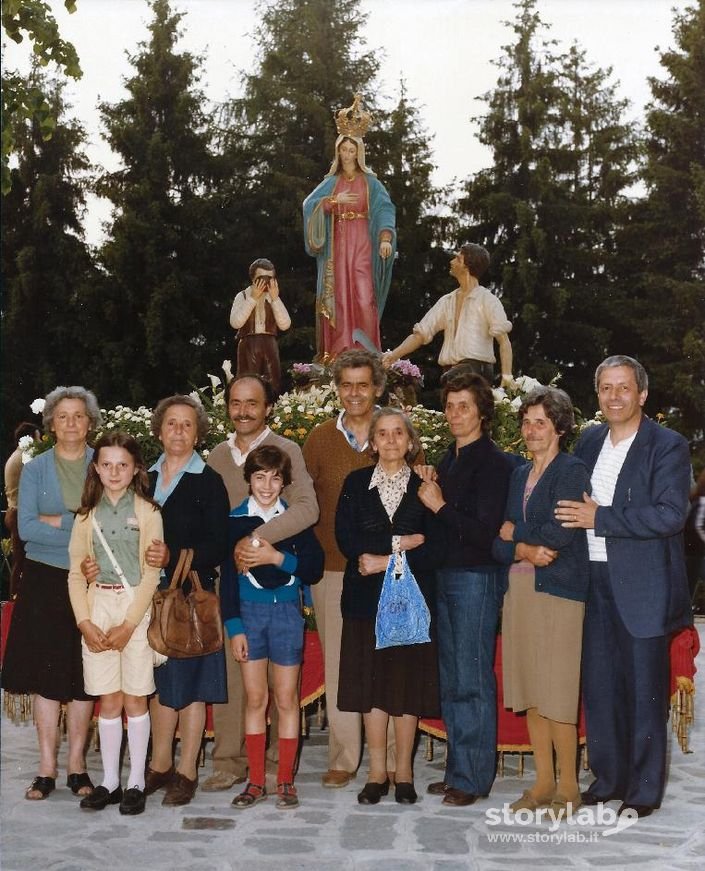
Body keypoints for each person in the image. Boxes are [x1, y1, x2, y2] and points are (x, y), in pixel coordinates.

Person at [555, 355, 692, 818]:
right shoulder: (589, 440)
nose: (614, 397)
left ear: (643, 394)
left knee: (644, 691)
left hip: (643, 588)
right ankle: (609, 777)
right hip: (592, 581)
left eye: (623, 388)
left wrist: (602, 518)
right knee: (600, 686)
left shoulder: (667, 445)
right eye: (606, 388)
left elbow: (671, 515)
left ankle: (644, 788)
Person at [201, 374, 319, 792]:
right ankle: (230, 761)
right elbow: (211, 518)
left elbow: (307, 508)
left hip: (278, 581)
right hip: (236, 583)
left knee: (280, 685)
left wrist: (256, 541)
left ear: (267, 406)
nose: (243, 411)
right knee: (239, 677)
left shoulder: (287, 450)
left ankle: (275, 762)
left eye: (252, 403)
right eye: (235, 402)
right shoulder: (217, 455)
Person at [415, 371, 517, 806]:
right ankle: (460, 768)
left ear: (482, 413)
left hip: (476, 577)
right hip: (446, 577)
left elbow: (485, 532)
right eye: (450, 405)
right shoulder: (448, 458)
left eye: (464, 406)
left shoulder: (496, 463)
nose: (455, 414)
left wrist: (439, 504)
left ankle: (474, 778)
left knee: (472, 677)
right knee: (454, 677)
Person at [302, 349, 400, 788]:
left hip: (390, 570)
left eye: (363, 384)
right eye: (346, 385)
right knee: (342, 662)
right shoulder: (320, 440)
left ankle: (396, 758)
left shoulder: (393, 433)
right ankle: (344, 757)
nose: (354, 393)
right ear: (336, 389)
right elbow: (303, 501)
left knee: (390, 660)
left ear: (377, 387)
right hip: (334, 568)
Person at [336, 408, 443, 805]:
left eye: (399, 432)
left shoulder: (425, 487)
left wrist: (384, 557)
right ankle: (377, 772)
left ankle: (404, 773)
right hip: (365, 602)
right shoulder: (355, 483)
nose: (392, 439)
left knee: (405, 686)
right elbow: (348, 540)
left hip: (411, 603)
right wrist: (401, 543)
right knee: (373, 688)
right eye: (383, 433)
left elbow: (434, 546)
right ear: (373, 442)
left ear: (410, 441)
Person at [492, 387, 590, 814]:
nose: (531, 430)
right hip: (520, 591)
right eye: (527, 422)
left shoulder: (572, 470)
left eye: (540, 423)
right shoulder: (516, 474)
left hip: (560, 592)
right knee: (532, 689)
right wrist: (519, 545)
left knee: (558, 691)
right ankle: (543, 784)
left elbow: (561, 532)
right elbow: (501, 537)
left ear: (560, 428)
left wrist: (518, 536)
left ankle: (569, 787)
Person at [1, 387, 101, 801]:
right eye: (63, 416)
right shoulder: (36, 469)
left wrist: (56, 522)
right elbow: (26, 528)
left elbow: (108, 525)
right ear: (51, 423)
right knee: (46, 676)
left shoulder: (103, 464)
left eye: (79, 416)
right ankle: (46, 768)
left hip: (92, 580)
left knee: (82, 676)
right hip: (44, 579)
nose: (72, 423)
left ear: (90, 422)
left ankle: (77, 766)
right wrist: (77, 522)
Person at [222, 445, 324, 810]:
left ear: (284, 482)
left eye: (275, 478)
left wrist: (276, 557)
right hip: (249, 616)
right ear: (248, 480)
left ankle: (284, 779)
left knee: (285, 699)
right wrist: (234, 628)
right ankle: (254, 780)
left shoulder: (293, 519)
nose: (267, 485)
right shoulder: (234, 520)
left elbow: (312, 567)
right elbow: (228, 583)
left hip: (286, 616)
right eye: (260, 477)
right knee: (256, 699)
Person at [68, 432, 162, 815]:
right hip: (98, 604)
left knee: (135, 696)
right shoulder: (85, 516)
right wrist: (85, 622)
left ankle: (136, 781)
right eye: (106, 464)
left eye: (122, 464)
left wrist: (129, 624)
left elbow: (152, 573)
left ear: (136, 468)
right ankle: (109, 780)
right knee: (108, 698)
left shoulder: (148, 512)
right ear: (95, 468)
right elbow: (76, 573)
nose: (114, 471)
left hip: (134, 607)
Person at [303, 95, 396, 359]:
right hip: (338, 245)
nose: (347, 155)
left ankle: (366, 352)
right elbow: (310, 205)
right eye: (343, 150)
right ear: (338, 151)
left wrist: (385, 238)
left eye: (352, 150)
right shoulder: (332, 182)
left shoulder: (371, 183)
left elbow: (385, 209)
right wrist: (333, 201)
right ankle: (339, 350)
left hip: (363, 244)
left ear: (359, 152)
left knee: (365, 296)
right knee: (341, 297)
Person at [382, 243, 513, 386]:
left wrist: (507, 376)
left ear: (467, 265)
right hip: (449, 372)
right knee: (449, 389)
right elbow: (420, 335)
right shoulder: (447, 301)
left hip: (476, 372)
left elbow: (504, 341)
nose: (451, 262)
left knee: (451, 382)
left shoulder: (488, 300)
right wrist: (393, 356)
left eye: (457, 258)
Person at [230, 258, 291, 395]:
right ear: (253, 279)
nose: (266, 283)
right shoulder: (243, 296)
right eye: (262, 278)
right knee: (248, 382)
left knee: (273, 383)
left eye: (270, 279)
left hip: (269, 343)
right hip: (248, 344)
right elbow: (235, 322)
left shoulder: (272, 297)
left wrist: (275, 299)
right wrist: (253, 298)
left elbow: (285, 324)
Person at [4, 421, 41, 596]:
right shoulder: (26, 458)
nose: (40, 441)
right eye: (38, 438)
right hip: (22, 515)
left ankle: (15, 600)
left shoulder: (15, 457)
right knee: (27, 562)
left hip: (15, 512)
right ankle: (17, 603)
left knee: (20, 562)